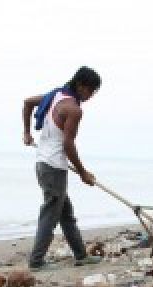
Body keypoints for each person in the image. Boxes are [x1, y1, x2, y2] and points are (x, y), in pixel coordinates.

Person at [22, 67, 104, 270]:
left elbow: (28, 102)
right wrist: (83, 172)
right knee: (50, 214)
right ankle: (36, 261)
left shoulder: (55, 96)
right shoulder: (74, 110)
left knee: (65, 213)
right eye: (90, 91)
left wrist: (26, 132)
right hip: (53, 167)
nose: (90, 96)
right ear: (81, 85)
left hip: (43, 163)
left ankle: (81, 255)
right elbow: (68, 144)